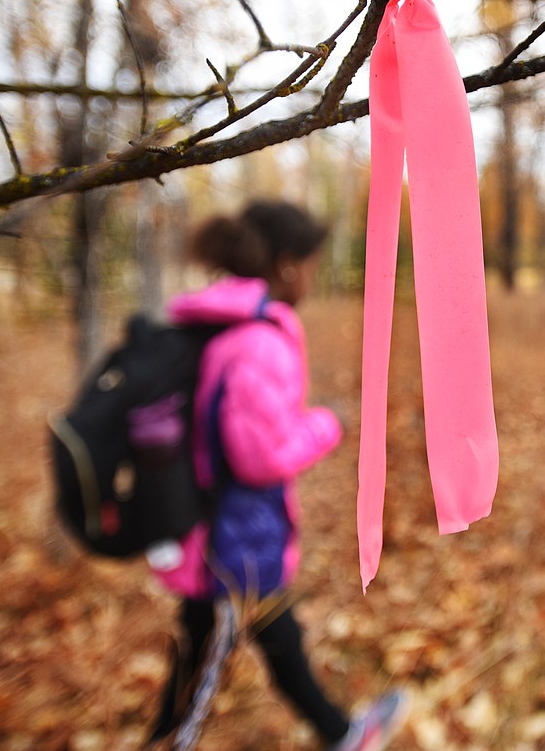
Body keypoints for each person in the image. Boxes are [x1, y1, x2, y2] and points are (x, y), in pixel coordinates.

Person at [147, 200, 407, 750]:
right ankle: (340, 735)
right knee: (199, 675)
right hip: (232, 536)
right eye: (310, 264)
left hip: (222, 527)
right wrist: (327, 424)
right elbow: (260, 457)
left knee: (260, 636)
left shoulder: (219, 322)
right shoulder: (258, 341)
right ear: (287, 264)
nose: (311, 277)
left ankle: (340, 732)